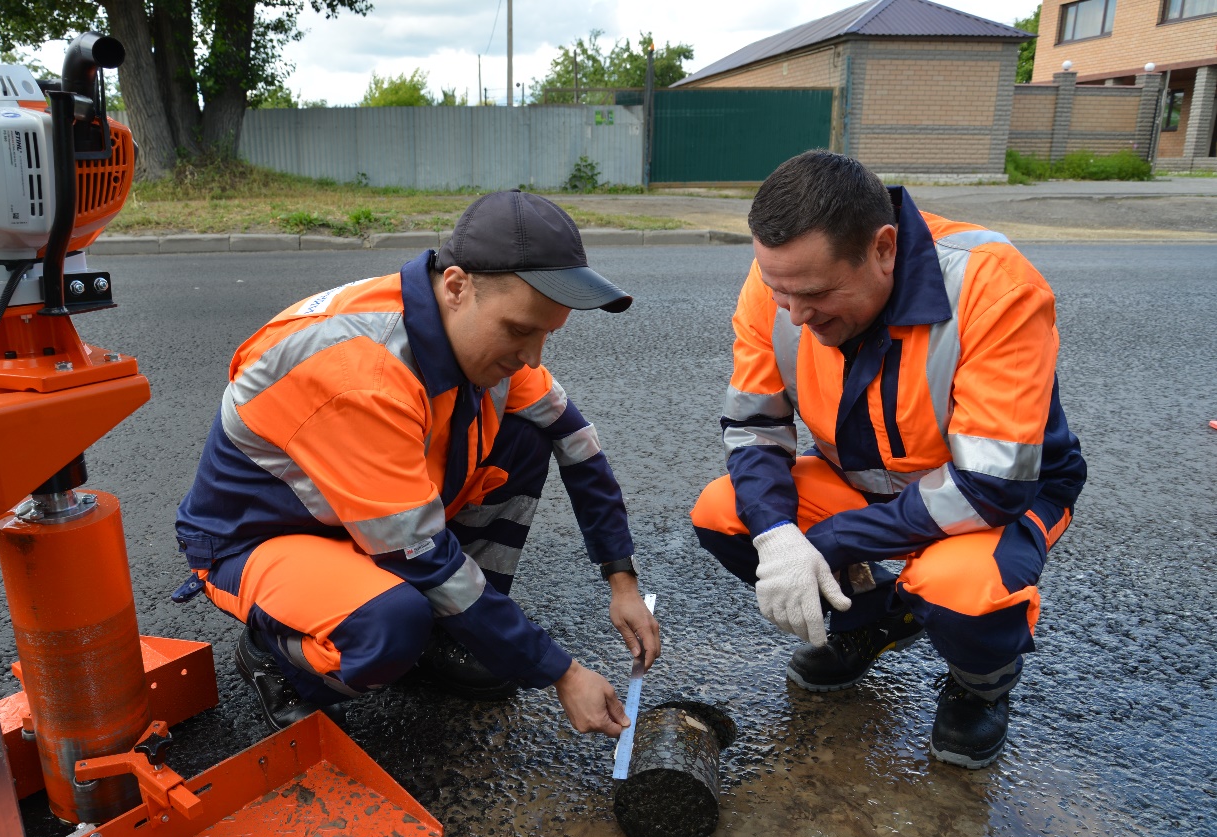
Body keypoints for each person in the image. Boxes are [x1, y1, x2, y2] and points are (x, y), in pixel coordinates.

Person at [174, 190, 660, 738]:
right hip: (257, 537)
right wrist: (561, 673)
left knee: (527, 435)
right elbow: (423, 554)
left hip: (365, 519)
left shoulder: (475, 335)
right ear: (456, 286)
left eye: (547, 334)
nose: (532, 356)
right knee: (391, 625)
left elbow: (577, 445)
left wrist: (622, 580)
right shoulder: (362, 375)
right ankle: (275, 654)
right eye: (522, 330)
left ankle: (456, 630)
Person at [691, 151, 1086, 768]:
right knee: (726, 512)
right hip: (867, 482)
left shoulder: (993, 284)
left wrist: (830, 543)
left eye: (817, 294)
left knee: (961, 587)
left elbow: (989, 485)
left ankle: (979, 686)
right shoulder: (784, 279)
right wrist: (776, 535)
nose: (795, 314)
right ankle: (873, 621)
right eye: (779, 292)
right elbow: (754, 426)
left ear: (883, 248)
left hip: (995, 498)